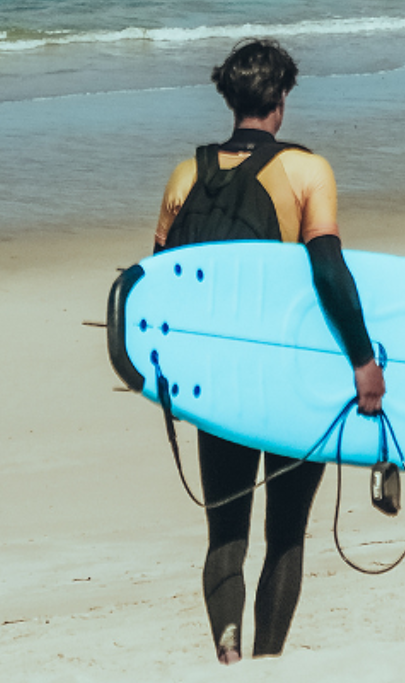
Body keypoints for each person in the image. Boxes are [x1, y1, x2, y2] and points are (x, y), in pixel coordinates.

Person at [152, 38, 386, 664]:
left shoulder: (187, 172)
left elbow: (161, 284)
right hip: (290, 380)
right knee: (285, 531)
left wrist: (168, 378)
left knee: (225, 531)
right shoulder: (308, 170)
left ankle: (227, 655)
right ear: (281, 97)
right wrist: (364, 361)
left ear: (230, 98)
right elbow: (330, 272)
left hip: (217, 381)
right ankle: (268, 663)